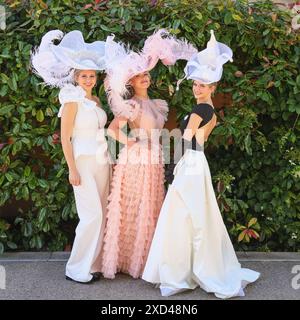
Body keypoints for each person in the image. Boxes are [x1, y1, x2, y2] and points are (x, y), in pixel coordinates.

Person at [142, 30, 260, 298]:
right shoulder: (210, 111)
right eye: (195, 83)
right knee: (195, 217)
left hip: (190, 163)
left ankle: (180, 273)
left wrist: (172, 169)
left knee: (182, 216)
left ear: (213, 88)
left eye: (203, 85)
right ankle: (191, 269)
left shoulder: (199, 111)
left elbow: (184, 142)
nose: (197, 88)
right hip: (198, 162)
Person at [100, 30, 197, 279]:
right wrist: (131, 142)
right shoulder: (130, 105)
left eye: (146, 75)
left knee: (150, 205)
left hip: (154, 159)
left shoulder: (157, 104)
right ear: (130, 82)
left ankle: (144, 261)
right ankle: (128, 261)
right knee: (134, 207)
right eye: (139, 76)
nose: (144, 78)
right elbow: (112, 130)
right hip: (136, 160)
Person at [31, 30, 111, 283]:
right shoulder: (71, 100)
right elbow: (66, 138)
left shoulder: (97, 101)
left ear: (96, 78)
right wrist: (72, 169)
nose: (88, 79)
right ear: (76, 78)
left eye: (91, 75)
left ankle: (93, 265)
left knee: (103, 213)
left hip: (102, 161)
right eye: (83, 76)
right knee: (91, 215)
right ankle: (76, 269)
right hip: (83, 162)